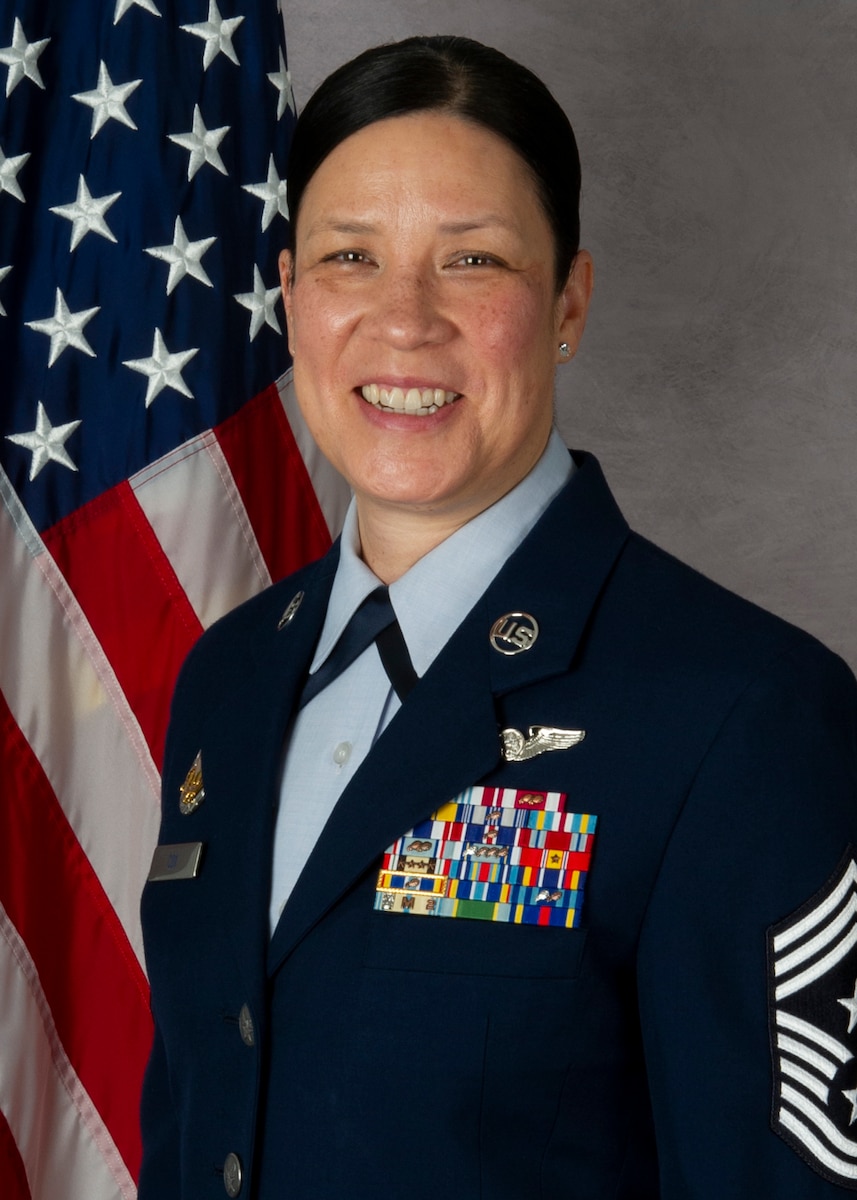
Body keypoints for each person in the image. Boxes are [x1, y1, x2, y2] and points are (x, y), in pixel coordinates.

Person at [139, 35, 857, 1199]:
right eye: (349, 259)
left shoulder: (742, 716)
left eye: (471, 260)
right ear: (288, 297)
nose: (404, 320)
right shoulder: (224, 681)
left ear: (567, 302)